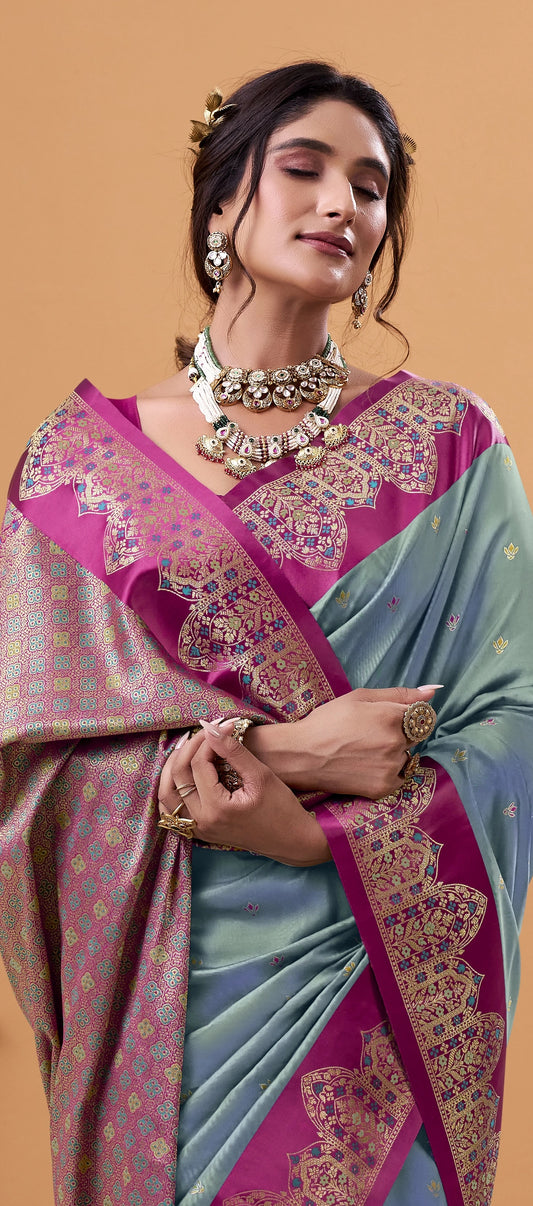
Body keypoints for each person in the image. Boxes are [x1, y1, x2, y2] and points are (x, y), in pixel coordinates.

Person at [0, 60, 531, 1206]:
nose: (343, 203)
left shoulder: (449, 447)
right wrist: (281, 753)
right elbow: (28, 767)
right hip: (171, 1008)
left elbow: (516, 722)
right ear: (223, 201)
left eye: (371, 186)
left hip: (363, 982)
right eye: (304, 168)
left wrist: (321, 842)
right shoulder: (75, 473)